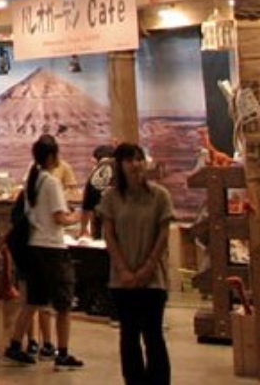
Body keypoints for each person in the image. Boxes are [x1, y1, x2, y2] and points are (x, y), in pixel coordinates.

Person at [5, 134, 83, 369]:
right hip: (52, 248)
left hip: (33, 247)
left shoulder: (33, 180)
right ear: (51, 156)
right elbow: (59, 218)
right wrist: (78, 217)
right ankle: (63, 352)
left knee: (33, 300)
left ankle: (15, 345)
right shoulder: (50, 182)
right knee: (63, 304)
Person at [100, 142, 173, 384]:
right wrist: (123, 269)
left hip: (153, 279)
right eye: (129, 160)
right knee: (129, 335)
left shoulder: (159, 196)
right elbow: (109, 235)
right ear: (120, 165)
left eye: (139, 159)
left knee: (153, 335)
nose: (135, 164)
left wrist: (148, 268)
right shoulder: (111, 198)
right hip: (122, 280)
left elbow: (163, 233)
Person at [81, 144, 116, 237]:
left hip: (100, 220)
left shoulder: (95, 174)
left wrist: (83, 229)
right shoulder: (121, 168)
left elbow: (86, 205)